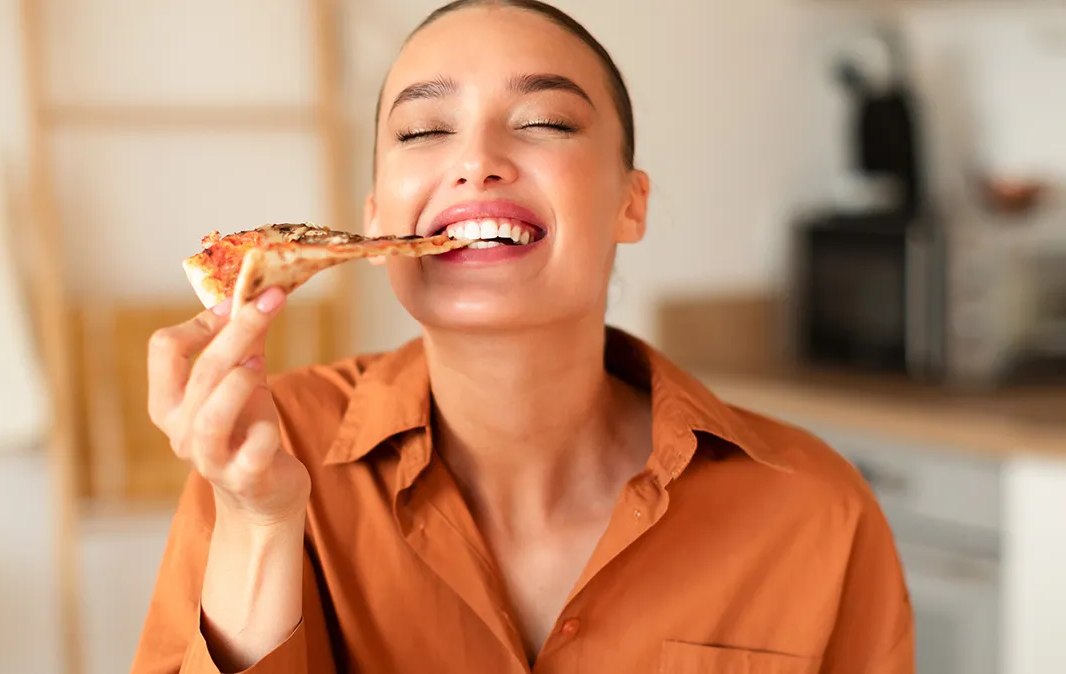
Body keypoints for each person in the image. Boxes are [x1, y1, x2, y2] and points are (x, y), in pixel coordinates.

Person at [130, 1, 914, 672]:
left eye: (544, 121)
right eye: (423, 130)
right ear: (375, 216)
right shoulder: (260, 454)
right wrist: (258, 523)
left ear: (629, 206)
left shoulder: (817, 509)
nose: (476, 161)